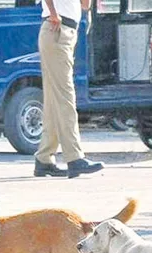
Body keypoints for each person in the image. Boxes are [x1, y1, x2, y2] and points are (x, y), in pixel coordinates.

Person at [35, 0, 104, 178]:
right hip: (57, 28)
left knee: (53, 99)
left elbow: (84, 5)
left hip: (66, 31)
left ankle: (44, 159)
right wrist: (52, 12)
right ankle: (74, 158)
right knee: (65, 97)